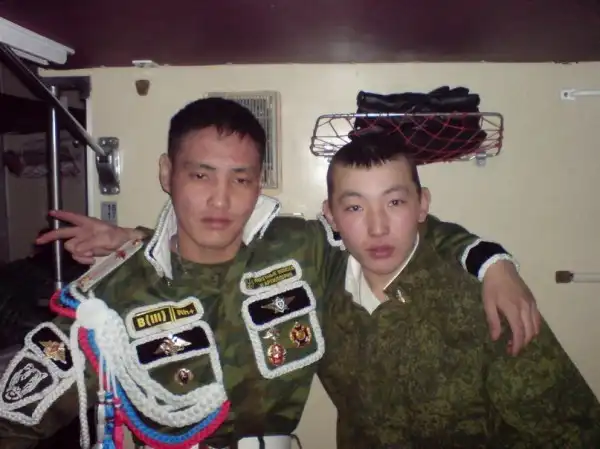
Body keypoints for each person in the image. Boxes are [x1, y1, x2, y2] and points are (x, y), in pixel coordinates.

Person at [0, 98, 537, 449]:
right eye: (201, 175)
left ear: (259, 183)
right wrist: (135, 242)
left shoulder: (299, 249)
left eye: (241, 179)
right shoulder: (109, 298)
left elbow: (393, 228)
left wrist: (493, 263)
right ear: (167, 173)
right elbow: (17, 415)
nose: (220, 199)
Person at [316, 135, 600, 448]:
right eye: (355, 207)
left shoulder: (483, 301)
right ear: (331, 216)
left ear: (422, 205)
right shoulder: (321, 291)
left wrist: (494, 262)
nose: (378, 227)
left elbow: (571, 430)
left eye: (395, 202)